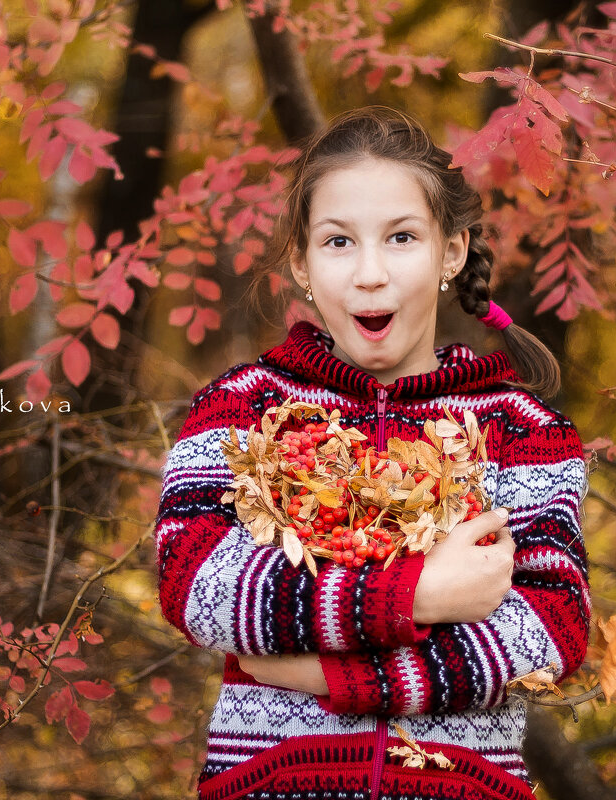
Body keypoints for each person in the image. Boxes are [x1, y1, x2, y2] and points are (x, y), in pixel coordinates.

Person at [155, 106, 590, 800]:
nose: (369, 274)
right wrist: (419, 595)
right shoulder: (241, 407)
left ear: (451, 251)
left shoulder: (522, 431)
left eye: (401, 238)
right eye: (337, 243)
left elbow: (550, 627)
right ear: (299, 261)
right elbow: (197, 583)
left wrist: (335, 677)